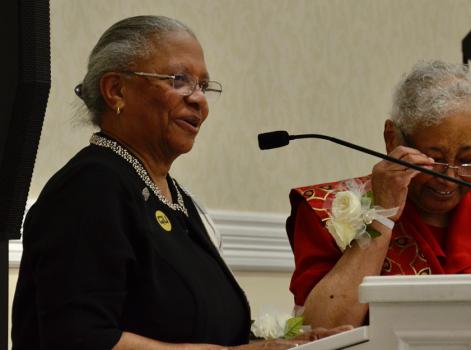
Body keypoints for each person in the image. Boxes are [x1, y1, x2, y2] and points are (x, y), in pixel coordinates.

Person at [11, 15, 349, 350]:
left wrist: (287, 344)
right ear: (116, 90)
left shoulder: (174, 199)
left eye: (203, 86)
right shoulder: (90, 188)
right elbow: (78, 338)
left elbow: (204, 328)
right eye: (178, 80)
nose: (198, 99)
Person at [286, 60, 471, 328]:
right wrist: (381, 218)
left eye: (467, 161)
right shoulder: (330, 209)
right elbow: (319, 332)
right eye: (432, 159)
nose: (449, 179)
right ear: (392, 138)